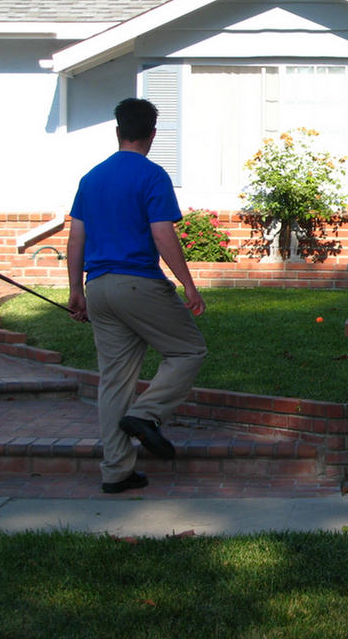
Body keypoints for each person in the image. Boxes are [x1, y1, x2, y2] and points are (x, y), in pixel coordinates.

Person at [66, 98, 207, 494]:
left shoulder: (91, 179)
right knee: (187, 350)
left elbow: (77, 237)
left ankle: (117, 471)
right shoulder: (152, 175)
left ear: (117, 131)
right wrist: (188, 284)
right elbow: (163, 233)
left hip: (99, 287)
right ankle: (146, 415)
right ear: (152, 134)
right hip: (137, 283)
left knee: (114, 380)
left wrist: (77, 289)